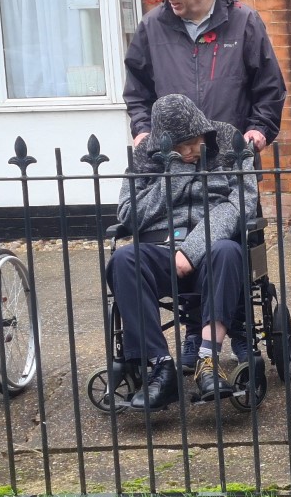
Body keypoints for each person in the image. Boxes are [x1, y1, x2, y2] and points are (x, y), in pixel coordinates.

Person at [123, 0, 285, 366]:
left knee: (230, 239)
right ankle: (195, 334)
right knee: (180, 231)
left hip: (227, 156)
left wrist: (258, 132)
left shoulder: (244, 23)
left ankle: (240, 329)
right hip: (172, 157)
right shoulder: (153, 27)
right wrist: (142, 130)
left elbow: (270, 89)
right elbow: (136, 90)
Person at [108, 94, 260, 411]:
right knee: (123, 259)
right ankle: (161, 367)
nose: (188, 152)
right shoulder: (145, 155)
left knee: (228, 251)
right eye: (178, 147)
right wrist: (173, 177)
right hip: (160, 248)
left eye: (192, 142)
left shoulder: (229, 141)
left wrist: (192, 249)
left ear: (203, 129)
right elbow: (128, 214)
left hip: (213, 251)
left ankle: (208, 360)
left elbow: (241, 204)